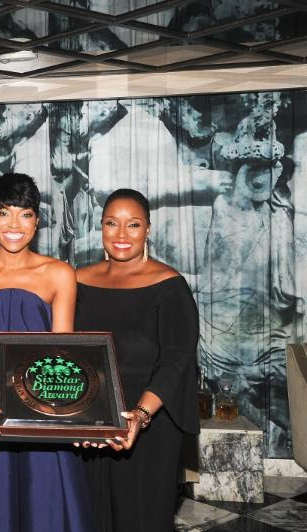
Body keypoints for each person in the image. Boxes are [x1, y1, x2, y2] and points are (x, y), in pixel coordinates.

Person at [0, 172, 93, 532]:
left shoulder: (59, 273)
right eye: (4, 212)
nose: (14, 224)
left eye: (25, 213)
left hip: (47, 409)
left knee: (49, 507)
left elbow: (65, 350)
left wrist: (70, 412)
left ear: (38, 221)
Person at [75, 188, 199, 532]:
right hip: (93, 419)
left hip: (150, 423)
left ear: (148, 228)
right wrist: (73, 415)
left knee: (141, 518)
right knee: (89, 516)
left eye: (133, 224)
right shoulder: (77, 280)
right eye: (111, 223)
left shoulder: (170, 286)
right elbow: (65, 351)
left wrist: (140, 416)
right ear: (100, 227)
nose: (121, 234)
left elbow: (177, 360)